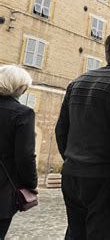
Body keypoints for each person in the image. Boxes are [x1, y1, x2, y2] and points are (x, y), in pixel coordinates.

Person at [55, 32, 110, 239]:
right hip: (107, 181)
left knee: (76, 234)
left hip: (72, 176)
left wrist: (73, 162)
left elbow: (61, 130)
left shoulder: (77, 82)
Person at [0, 65, 38, 239]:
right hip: (3, 188)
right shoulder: (22, 113)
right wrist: (31, 184)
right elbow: (25, 156)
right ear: (19, 87)